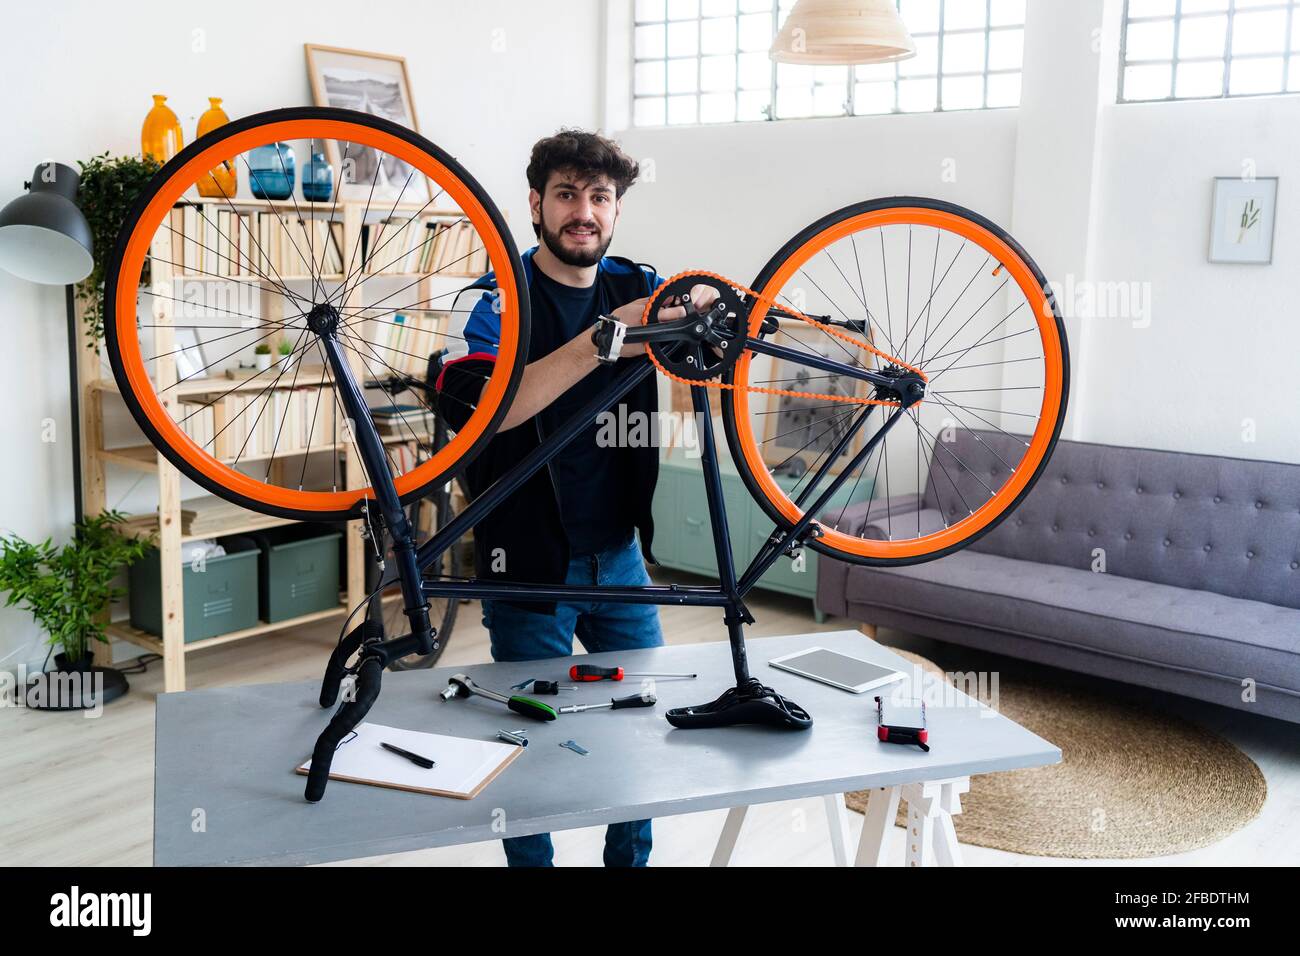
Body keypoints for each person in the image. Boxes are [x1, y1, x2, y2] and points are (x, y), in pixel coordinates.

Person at [435, 129, 714, 867]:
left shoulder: (636, 281)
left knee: (643, 730)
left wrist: (709, 309)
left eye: (600, 197)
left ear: (616, 210)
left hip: (618, 558)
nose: (583, 211)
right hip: (527, 566)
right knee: (529, 749)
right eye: (566, 194)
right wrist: (608, 336)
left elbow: (697, 333)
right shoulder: (495, 300)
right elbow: (496, 406)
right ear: (536, 203)